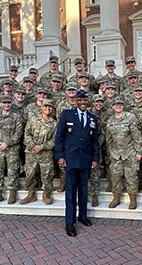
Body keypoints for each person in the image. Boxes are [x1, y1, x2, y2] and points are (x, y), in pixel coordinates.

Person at [55, 90, 100, 237]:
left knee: (83, 190)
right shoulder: (67, 114)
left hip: (86, 159)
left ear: (88, 102)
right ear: (75, 101)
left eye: (85, 100)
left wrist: (95, 158)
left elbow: (95, 141)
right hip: (70, 159)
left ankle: (82, 216)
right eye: (80, 100)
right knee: (71, 192)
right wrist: (60, 156)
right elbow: (59, 137)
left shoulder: (93, 118)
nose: (82, 102)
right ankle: (69, 222)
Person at [105, 97, 142, 209]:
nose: (118, 106)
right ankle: (116, 198)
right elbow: (108, 139)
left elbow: (137, 136)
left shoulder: (130, 117)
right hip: (115, 154)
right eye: (116, 104)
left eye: (120, 104)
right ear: (112, 106)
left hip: (129, 152)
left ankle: (132, 199)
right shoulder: (110, 120)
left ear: (123, 105)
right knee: (115, 177)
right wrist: (110, 153)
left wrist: (139, 151)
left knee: (131, 177)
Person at [20, 99, 57, 205]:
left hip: (46, 152)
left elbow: (54, 140)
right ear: (42, 107)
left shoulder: (54, 124)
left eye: (50, 107)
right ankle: (31, 194)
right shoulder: (33, 120)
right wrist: (33, 146)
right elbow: (26, 133)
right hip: (31, 152)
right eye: (45, 106)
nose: (47, 108)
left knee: (47, 174)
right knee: (30, 173)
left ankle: (46, 194)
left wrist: (41, 147)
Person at [0, 96, 23, 205]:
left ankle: (12, 193)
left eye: (8, 103)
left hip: (12, 149)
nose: (7, 105)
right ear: (0, 104)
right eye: (4, 103)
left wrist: (7, 143)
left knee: (13, 171)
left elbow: (18, 133)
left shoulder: (16, 117)